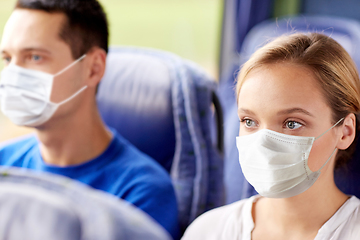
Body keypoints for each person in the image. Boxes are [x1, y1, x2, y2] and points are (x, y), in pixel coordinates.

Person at [0, 0, 179, 239]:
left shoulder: (142, 192)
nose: (13, 74)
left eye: (34, 57)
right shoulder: (5, 165)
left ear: (93, 68)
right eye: (7, 59)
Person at [182, 33, 360, 240]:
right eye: (249, 121)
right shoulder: (208, 231)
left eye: (292, 124)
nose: (263, 144)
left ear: (345, 132)